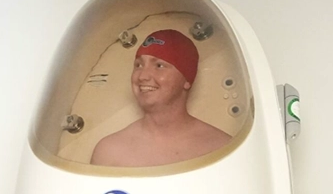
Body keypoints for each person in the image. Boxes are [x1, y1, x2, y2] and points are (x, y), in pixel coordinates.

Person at [90, 29, 230, 167]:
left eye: (159, 66)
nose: (142, 76)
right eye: (138, 65)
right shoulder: (108, 153)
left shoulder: (221, 148)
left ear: (186, 79)